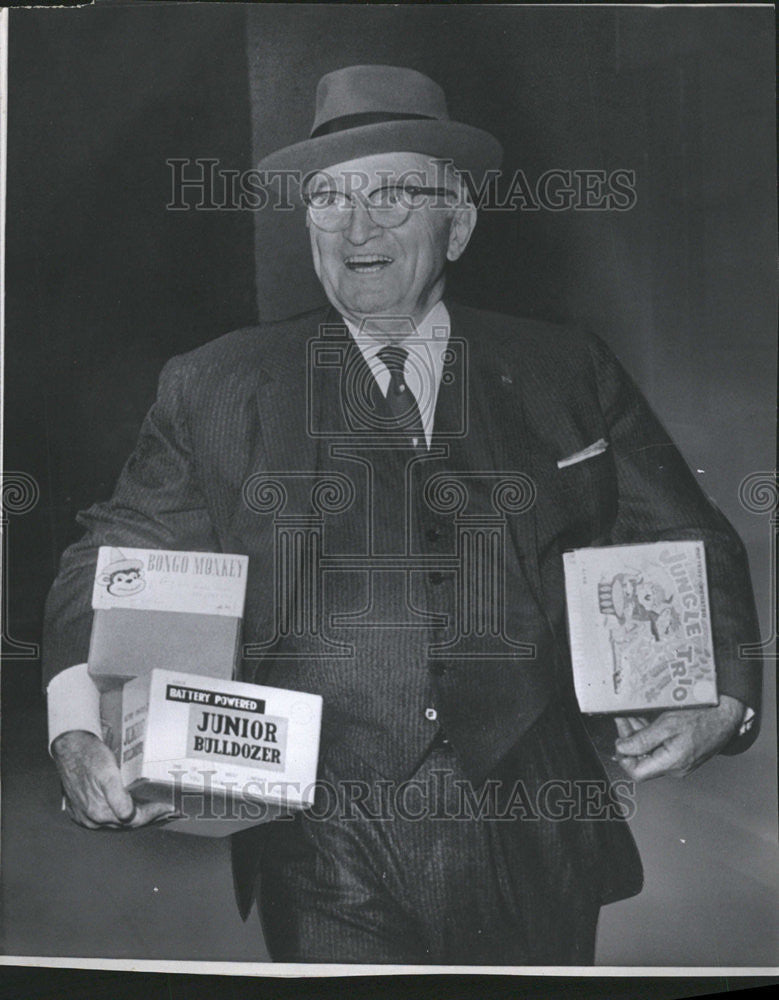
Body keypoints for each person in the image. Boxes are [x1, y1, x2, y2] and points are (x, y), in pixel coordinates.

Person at [43, 64, 762, 965]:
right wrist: (75, 721)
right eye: (330, 198)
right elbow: (109, 558)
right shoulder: (217, 384)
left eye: (392, 194)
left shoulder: (564, 369)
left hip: (529, 819)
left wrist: (726, 701)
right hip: (318, 826)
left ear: (456, 223)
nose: (357, 227)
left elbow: (681, 533)